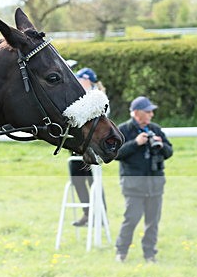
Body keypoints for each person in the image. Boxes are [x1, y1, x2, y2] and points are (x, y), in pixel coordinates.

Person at [115, 96, 174, 263]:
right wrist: (136, 143)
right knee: (131, 219)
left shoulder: (155, 129)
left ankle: (150, 254)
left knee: (152, 222)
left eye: (151, 111)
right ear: (136, 113)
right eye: (148, 111)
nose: (152, 114)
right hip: (133, 185)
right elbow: (116, 154)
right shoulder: (124, 130)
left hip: (155, 184)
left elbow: (170, 152)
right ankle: (121, 252)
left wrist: (162, 146)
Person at [69, 67, 108, 227]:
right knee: (76, 179)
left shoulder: (99, 97)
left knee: (94, 180)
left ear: (87, 80)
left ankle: (100, 214)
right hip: (77, 144)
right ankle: (87, 213)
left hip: (93, 144)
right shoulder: (78, 96)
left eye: (80, 79)